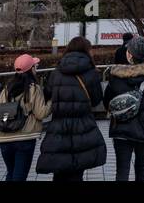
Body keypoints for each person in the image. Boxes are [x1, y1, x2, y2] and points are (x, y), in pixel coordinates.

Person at [35, 36, 107, 181]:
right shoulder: (91, 72)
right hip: (82, 127)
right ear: (86, 51)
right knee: (77, 169)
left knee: (59, 168)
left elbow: (48, 94)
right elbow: (96, 100)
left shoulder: (56, 72)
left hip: (58, 127)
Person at [103, 36, 144, 180]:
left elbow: (107, 103)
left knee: (122, 170)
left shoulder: (116, 75)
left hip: (121, 129)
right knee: (142, 168)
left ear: (130, 55)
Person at [0, 53, 50, 181]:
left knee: (10, 173)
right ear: (31, 70)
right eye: (35, 67)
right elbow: (41, 113)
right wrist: (51, 101)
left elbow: (1, 114)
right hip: (25, 138)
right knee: (19, 176)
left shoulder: (6, 89)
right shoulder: (34, 89)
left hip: (5, 139)